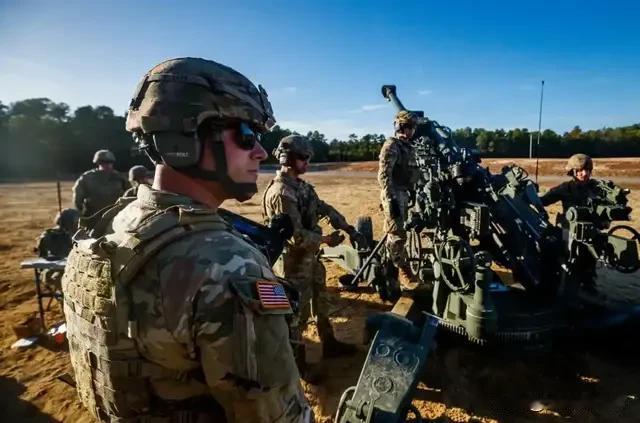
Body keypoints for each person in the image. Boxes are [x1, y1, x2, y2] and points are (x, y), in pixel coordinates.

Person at [62, 58, 312, 423]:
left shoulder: (115, 222)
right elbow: (277, 415)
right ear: (185, 140)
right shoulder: (226, 266)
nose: (260, 151)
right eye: (246, 135)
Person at [262, 135, 365, 371]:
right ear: (287, 158)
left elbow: (324, 208)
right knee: (294, 314)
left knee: (321, 301)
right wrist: (327, 240)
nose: (307, 162)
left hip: (310, 260)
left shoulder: (301, 187)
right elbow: (296, 237)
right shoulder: (281, 193)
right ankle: (297, 364)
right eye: (303, 157)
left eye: (309, 157)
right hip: (292, 265)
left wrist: (349, 229)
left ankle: (329, 343)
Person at [540, 153, 600, 293]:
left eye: (587, 170)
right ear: (573, 171)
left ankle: (588, 283)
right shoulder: (566, 188)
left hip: (590, 232)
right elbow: (544, 200)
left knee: (590, 259)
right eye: (580, 170)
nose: (584, 174)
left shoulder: (597, 188)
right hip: (568, 231)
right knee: (570, 260)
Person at [377, 110, 419, 294]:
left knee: (399, 233)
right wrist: (391, 199)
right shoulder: (392, 145)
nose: (410, 131)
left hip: (404, 193)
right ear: (399, 127)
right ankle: (402, 269)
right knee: (397, 235)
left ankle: (391, 270)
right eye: (407, 127)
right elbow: (384, 175)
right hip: (394, 194)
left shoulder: (409, 147)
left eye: (412, 127)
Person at [72, 149, 130, 218]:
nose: (108, 165)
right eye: (104, 162)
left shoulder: (120, 177)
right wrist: (81, 215)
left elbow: (129, 195)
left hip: (116, 216)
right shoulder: (87, 178)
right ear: (98, 163)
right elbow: (78, 199)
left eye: (110, 162)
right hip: (93, 216)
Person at [34, 208, 79, 290]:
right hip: (55, 268)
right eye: (75, 222)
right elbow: (42, 256)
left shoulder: (77, 235)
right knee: (57, 278)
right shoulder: (49, 235)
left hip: (73, 268)